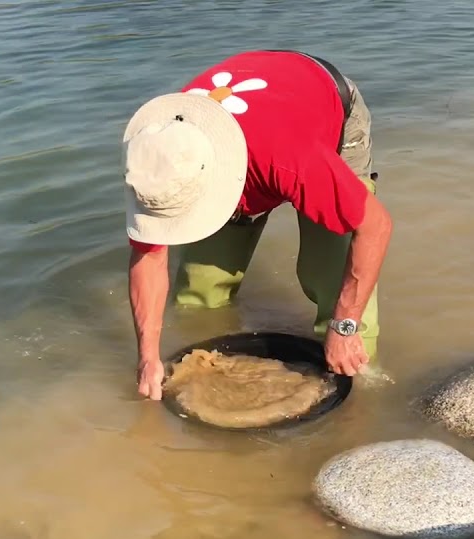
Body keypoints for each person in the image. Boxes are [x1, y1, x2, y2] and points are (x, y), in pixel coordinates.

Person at [122, 49, 393, 401]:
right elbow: (149, 257)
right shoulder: (155, 156)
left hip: (322, 105)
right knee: (200, 291)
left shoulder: (289, 160)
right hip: (256, 116)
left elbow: (376, 227)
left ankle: (360, 385)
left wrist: (345, 325)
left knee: (327, 270)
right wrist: (147, 357)